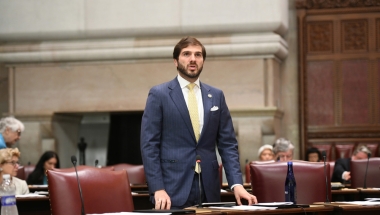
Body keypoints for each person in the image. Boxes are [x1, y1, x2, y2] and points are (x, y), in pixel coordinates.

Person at [140, 36, 257, 209]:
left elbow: (228, 144)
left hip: (209, 187)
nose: (193, 59)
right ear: (175, 61)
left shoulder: (216, 95)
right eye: (186, 54)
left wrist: (236, 184)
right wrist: (157, 188)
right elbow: (149, 145)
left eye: (198, 55)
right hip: (171, 189)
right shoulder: (159, 94)